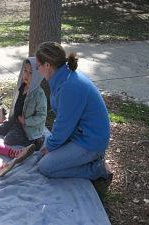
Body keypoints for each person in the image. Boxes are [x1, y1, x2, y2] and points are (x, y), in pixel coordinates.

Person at [35, 42, 113, 185]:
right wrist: (50, 146)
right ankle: (87, 160)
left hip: (91, 142)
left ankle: (96, 168)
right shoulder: (63, 77)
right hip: (78, 134)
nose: (37, 70)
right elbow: (63, 122)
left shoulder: (69, 86)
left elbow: (64, 125)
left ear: (47, 65)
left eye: (37, 66)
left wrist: (50, 147)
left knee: (45, 167)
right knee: (42, 154)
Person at [0, 57, 47, 150]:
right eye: (25, 71)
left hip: (27, 127)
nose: (26, 75)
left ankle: (35, 141)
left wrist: (26, 121)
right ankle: (14, 129)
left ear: (38, 75)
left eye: (30, 73)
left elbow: (42, 116)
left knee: (8, 139)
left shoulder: (39, 94)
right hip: (16, 121)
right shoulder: (22, 86)